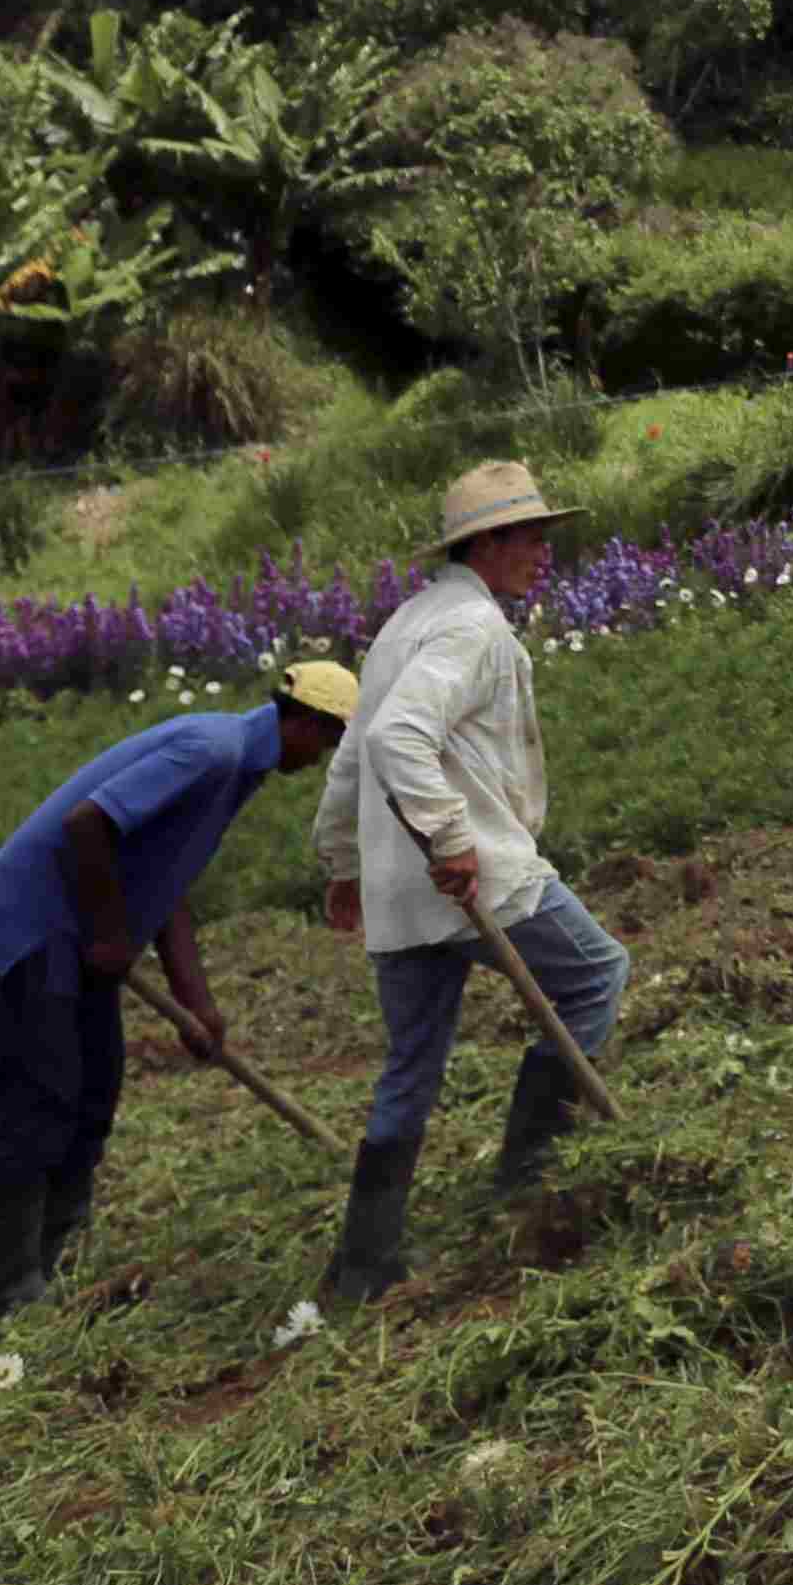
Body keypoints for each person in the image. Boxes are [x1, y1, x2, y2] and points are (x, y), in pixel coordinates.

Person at [0, 655, 358, 1330]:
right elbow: (88, 825)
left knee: (92, 1092)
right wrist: (109, 936)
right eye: (331, 739)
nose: (325, 759)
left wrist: (195, 1003)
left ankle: (54, 1263)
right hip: (33, 931)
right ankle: (4, 1298)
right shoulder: (212, 751)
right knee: (34, 1100)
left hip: (77, 941)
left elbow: (167, 886)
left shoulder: (237, 767)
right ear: (306, 723)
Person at [309, 459, 633, 1307]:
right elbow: (395, 739)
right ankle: (528, 1179)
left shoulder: (405, 625)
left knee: (412, 1063)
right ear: (485, 543)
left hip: (404, 888)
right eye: (529, 537)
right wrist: (452, 839)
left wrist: (345, 861)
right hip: (474, 873)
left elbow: (354, 752)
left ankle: (364, 1261)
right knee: (597, 974)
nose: (543, 553)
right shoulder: (472, 631)